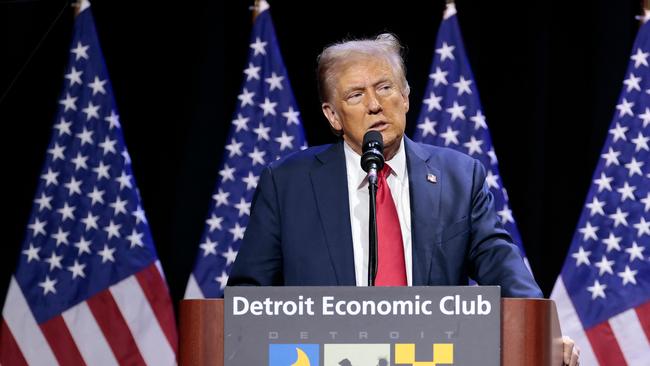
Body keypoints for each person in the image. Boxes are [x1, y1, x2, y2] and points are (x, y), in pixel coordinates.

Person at [228, 33, 578, 366]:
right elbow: (247, 299)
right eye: (355, 95)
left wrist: (540, 334)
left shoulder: (459, 177)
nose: (375, 104)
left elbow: (505, 271)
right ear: (333, 115)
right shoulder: (288, 184)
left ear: (406, 97)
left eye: (385, 88)